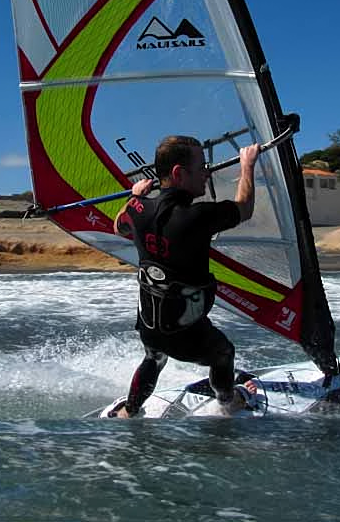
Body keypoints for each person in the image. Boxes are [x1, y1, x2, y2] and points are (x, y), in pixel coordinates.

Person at [110, 135, 260, 418]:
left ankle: (130, 410)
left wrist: (136, 195)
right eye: (202, 166)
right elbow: (245, 207)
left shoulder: (137, 210)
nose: (207, 172)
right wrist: (247, 165)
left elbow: (119, 227)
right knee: (224, 352)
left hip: (150, 324)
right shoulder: (197, 216)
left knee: (154, 357)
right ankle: (229, 403)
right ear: (179, 173)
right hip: (185, 332)